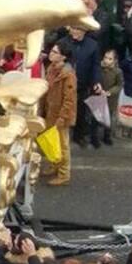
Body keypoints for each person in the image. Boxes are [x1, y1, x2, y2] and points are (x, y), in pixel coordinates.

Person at [41, 40, 77, 186]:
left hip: (61, 114)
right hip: (50, 111)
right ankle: (54, 164)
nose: (51, 53)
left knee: (63, 145)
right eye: (52, 51)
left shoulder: (68, 75)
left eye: (55, 52)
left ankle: (64, 173)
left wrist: (62, 117)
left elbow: (69, 100)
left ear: (63, 57)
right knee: (51, 140)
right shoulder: (51, 68)